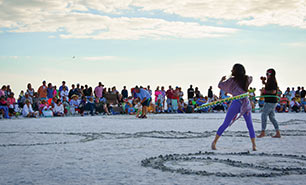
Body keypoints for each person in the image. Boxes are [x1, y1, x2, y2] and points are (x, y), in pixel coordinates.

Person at [211, 64, 256, 151]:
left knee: (226, 123)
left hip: (236, 103)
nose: (231, 71)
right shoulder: (246, 79)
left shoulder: (232, 80)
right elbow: (251, 78)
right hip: (245, 103)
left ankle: (214, 142)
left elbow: (220, 85)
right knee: (250, 125)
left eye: (232, 70)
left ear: (235, 71)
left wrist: (222, 79)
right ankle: (254, 145)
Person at [258, 69, 281, 138]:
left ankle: (263, 132)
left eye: (268, 74)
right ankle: (278, 132)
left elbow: (273, 92)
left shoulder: (272, 81)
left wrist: (264, 92)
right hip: (271, 101)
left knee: (263, 115)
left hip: (270, 101)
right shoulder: (270, 81)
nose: (267, 75)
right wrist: (263, 82)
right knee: (271, 117)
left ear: (272, 74)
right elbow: (269, 87)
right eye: (266, 73)